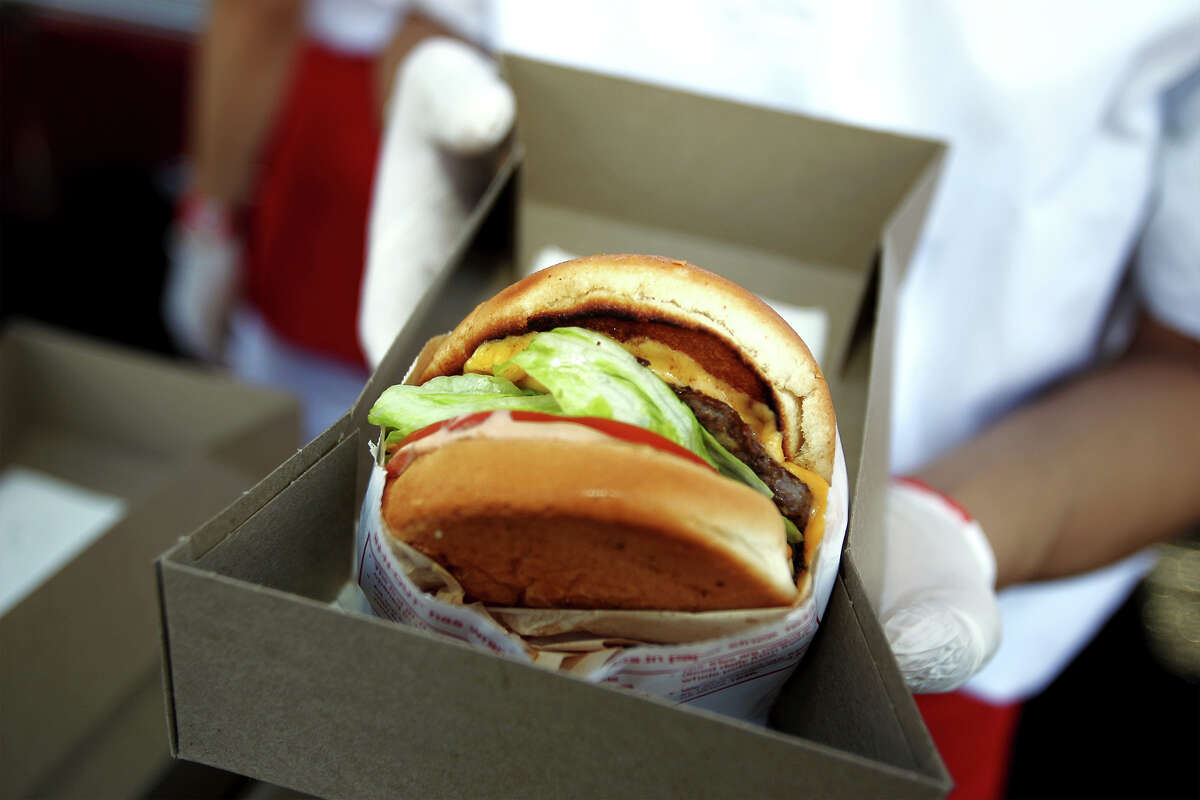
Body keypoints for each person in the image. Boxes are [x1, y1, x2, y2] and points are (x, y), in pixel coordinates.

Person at [357, 3, 1200, 799]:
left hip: (896, 690)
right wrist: (430, 108)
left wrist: (956, 528)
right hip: (451, 609)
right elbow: (442, 22)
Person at [163, 0, 495, 440]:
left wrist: (207, 222)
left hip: (355, 159)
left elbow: (256, 13)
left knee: (287, 440)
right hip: (479, 159)